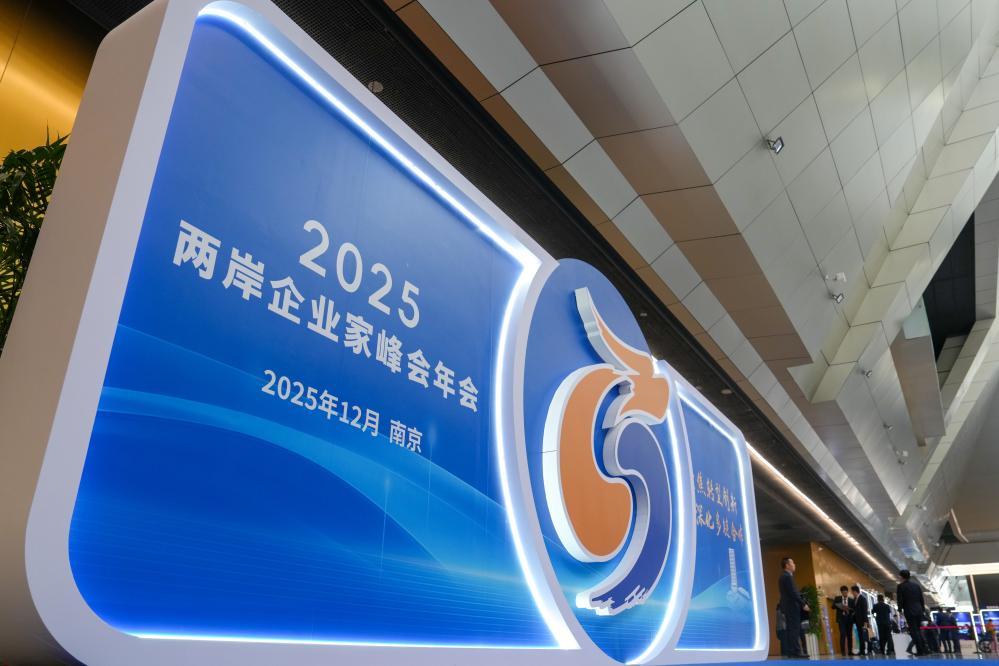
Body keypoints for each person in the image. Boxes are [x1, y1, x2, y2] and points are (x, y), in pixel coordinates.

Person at [779, 557, 808, 658]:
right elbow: (793, 593)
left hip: (788, 607)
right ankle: (796, 652)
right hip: (791, 607)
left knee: (791, 629)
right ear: (787, 565)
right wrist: (803, 604)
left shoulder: (784, 576)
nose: (794, 564)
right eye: (792, 563)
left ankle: (792, 651)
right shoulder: (787, 577)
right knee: (794, 629)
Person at [897, 570, 928, 656]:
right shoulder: (916, 585)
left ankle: (920, 650)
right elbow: (921, 598)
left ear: (901, 576)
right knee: (919, 630)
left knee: (914, 631)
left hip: (909, 611)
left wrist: (900, 610)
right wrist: (922, 610)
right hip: (919, 610)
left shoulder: (901, 586)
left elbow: (900, 599)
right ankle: (925, 650)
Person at [833, 585, 855, 656]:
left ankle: (850, 651)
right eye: (843, 593)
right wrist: (839, 606)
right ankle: (843, 651)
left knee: (849, 635)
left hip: (849, 619)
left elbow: (854, 609)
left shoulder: (851, 600)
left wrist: (848, 609)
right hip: (841, 619)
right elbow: (833, 606)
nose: (845, 594)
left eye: (846, 592)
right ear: (841, 592)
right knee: (842, 634)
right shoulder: (837, 598)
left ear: (847, 592)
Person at [852, 585, 869, 655]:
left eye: (852, 592)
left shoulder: (863, 599)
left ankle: (865, 650)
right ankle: (861, 650)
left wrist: (865, 621)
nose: (852, 593)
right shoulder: (854, 599)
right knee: (860, 636)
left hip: (862, 620)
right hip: (857, 621)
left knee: (864, 636)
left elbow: (864, 611)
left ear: (855, 591)